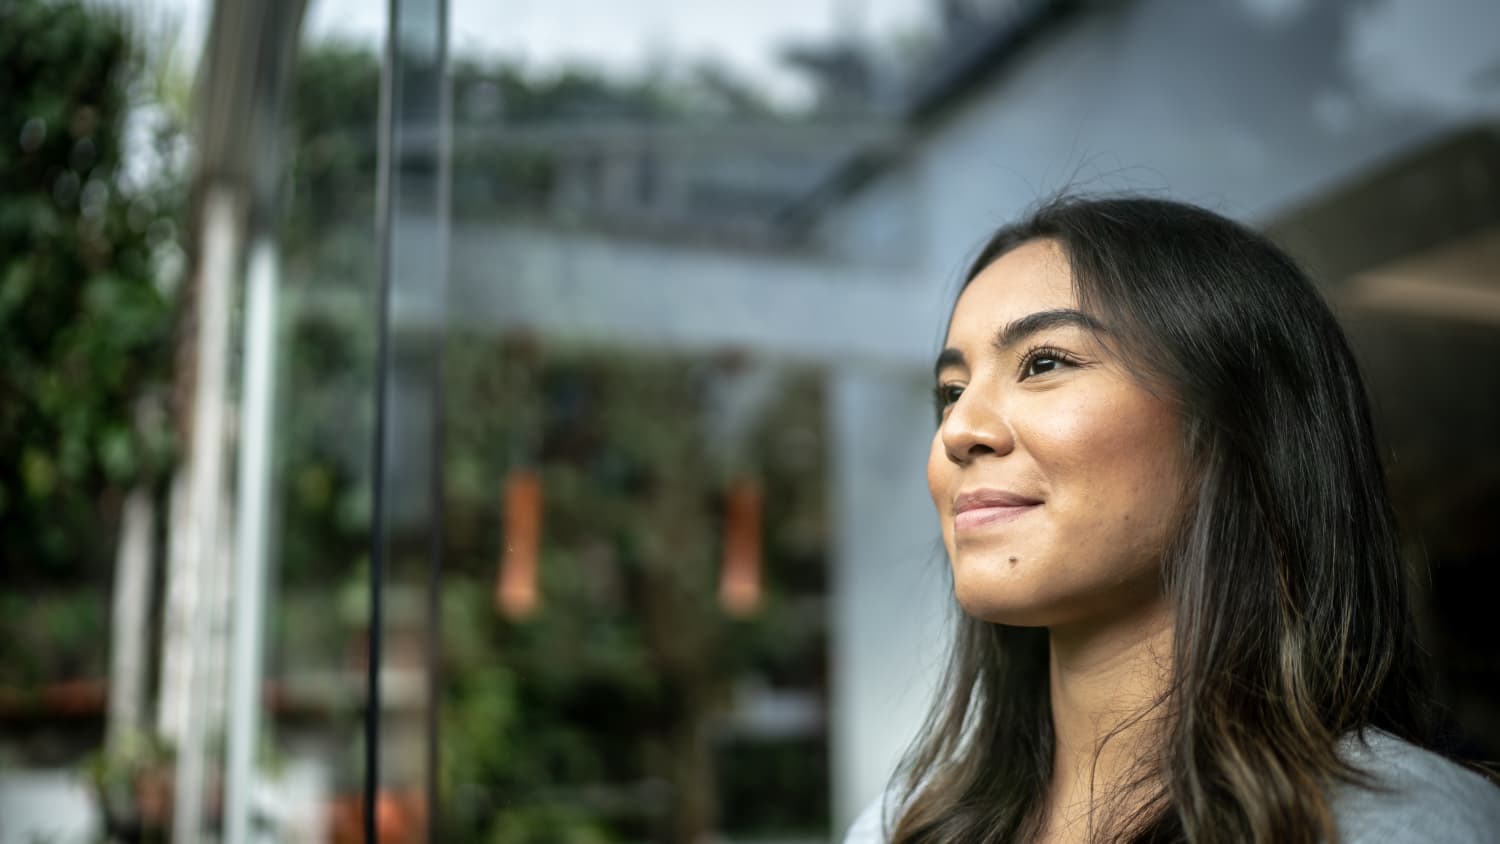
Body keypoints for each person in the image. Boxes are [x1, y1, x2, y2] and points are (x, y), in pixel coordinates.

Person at [842, 196, 1500, 843]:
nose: (959, 430)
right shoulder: (901, 826)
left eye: (1044, 362)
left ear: (1238, 426)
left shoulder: (1402, 825)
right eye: (951, 392)